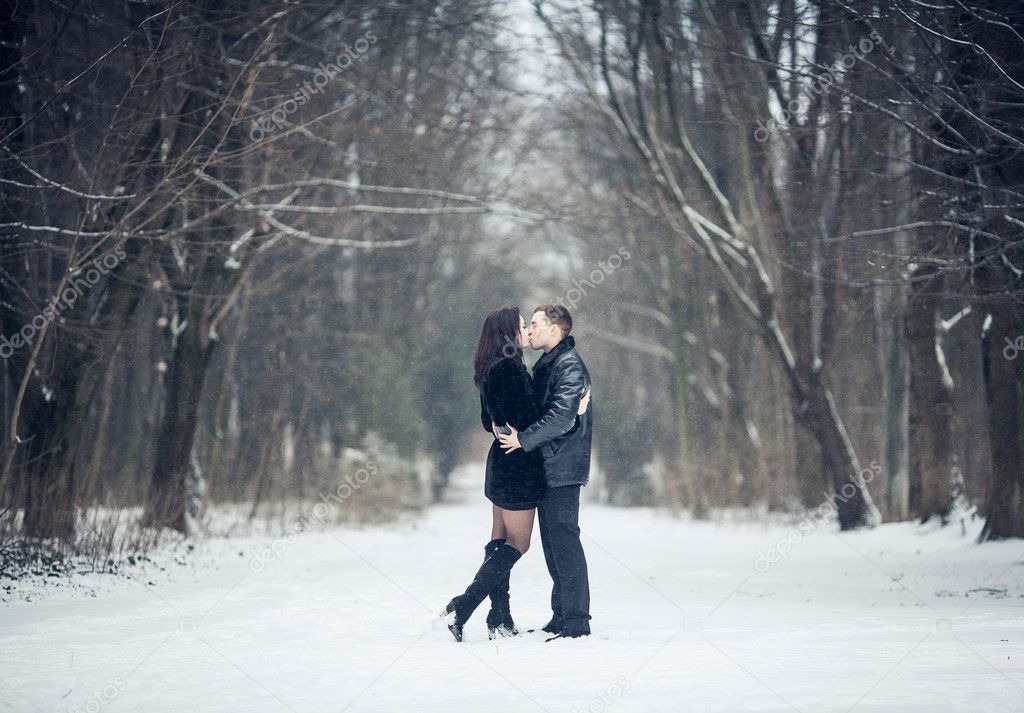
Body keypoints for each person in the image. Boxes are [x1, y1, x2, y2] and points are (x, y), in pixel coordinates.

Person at [442, 306, 589, 642]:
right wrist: (574, 411)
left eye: (531, 325)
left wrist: (499, 427)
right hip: (518, 465)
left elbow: (487, 419)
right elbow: (530, 415)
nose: (528, 330)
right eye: (524, 325)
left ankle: (500, 616)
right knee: (518, 544)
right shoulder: (510, 370)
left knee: (498, 540)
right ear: (508, 333)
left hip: (501, 460)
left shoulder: (491, 367)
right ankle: (464, 606)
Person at [497, 304, 593, 640]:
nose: (531, 330)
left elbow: (560, 418)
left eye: (536, 324)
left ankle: (577, 621)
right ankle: (562, 615)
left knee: (564, 542)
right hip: (549, 465)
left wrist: (522, 440)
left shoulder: (569, 367)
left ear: (555, 329)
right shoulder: (550, 364)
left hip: (563, 468)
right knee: (553, 544)